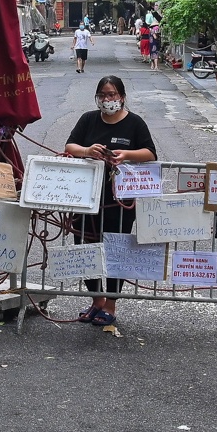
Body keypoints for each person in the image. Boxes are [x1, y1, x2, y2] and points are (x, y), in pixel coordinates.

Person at [62, 75, 158, 330]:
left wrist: (125, 155)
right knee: (85, 247)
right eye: (103, 95)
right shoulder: (88, 119)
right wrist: (87, 151)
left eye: (112, 94)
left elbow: (150, 153)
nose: (107, 99)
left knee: (116, 250)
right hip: (85, 197)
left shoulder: (135, 123)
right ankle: (97, 300)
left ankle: (111, 305)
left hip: (119, 202)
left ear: (122, 97)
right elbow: (70, 145)